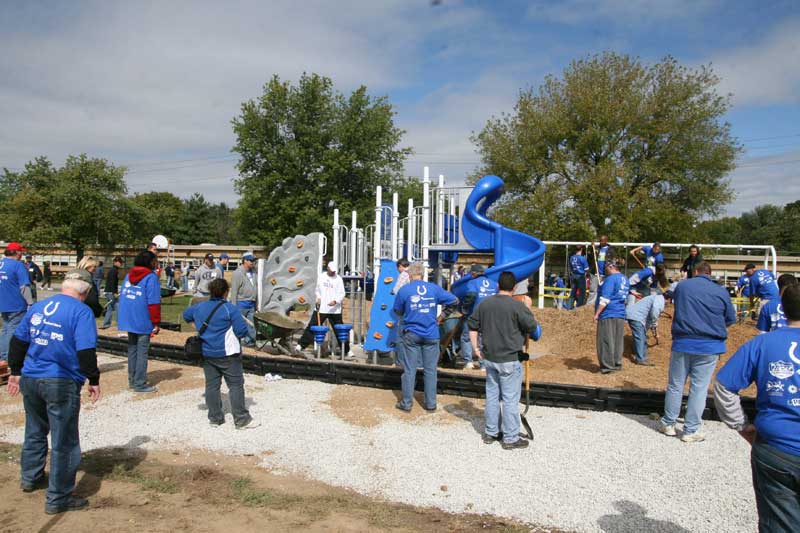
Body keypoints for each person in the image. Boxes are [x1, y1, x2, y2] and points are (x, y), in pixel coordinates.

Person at [6, 276, 100, 514]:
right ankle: (58, 498)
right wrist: (94, 379)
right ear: (86, 292)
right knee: (64, 441)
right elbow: (85, 349)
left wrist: (16, 371)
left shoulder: (39, 307)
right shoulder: (82, 312)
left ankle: (30, 477)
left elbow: (18, 341)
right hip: (60, 380)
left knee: (35, 430)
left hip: (32, 377)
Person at [713, 283, 800, 532]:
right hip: (777, 450)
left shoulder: (763, 344)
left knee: (779, 523)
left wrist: (740, 425)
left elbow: (724, 386)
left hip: (776, 450)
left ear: (782, 308)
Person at [658, 261, 736, 442]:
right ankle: (690, 430)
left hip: (683, 342)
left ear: (695, 271)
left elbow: (671, 297)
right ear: (710, 273)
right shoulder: (721, 291)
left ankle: (668, 423)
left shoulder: (683, 286)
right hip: (710, 346)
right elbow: (730, 319)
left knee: (675, 385)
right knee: (699, 389)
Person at [469, 271, 539, 450]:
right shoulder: (517, 307)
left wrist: (476, 349)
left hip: (490, 359)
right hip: (509, 359)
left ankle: (491, 432)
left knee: (492, 396)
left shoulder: (484, 304)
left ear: (498, 286)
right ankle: (510, 438)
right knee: (509, 399)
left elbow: (472, 327)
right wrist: (529, 308)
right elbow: (533, 329)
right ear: (514, 287)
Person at [183, 278, 259, 429]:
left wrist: (197, 326)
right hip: (228, 353)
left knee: (212, 385)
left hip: (207, 352)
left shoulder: (200, 306)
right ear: (226, 292)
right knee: (236, 385)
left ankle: (215, 418)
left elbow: (186, 315)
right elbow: (241, 331)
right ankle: (241, 419)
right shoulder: (229, 308)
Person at [393, 262, 457, 412]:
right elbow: (455, 301)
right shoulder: (433, 288)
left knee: (410, 370)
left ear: (409, 275)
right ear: (422, 274)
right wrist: (441, 316)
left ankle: (406, 404)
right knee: (430, 370)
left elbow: (397, 310)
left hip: (411, 334)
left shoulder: (404, 290)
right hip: (431, 334)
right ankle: (430, 404)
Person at [118, 250, 161, 393]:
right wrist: (155, 322)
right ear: (150, 262)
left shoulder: (129, 275)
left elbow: (124, 295)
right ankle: (140, 383)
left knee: (132, 349)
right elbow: (153, 302)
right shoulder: (151, 277)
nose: (156, 263)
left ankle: (132, 379)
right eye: (154, 261)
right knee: (142, 351)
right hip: (143, 318)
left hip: (129, 317)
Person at [297, 261, 349, 357]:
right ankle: (301, 345)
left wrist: (336, 301)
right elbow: (317, 290)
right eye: (331, 270)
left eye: (334, 271)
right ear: (328, 268)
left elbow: (342, 293)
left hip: (335, 310)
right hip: (321, 308)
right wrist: (318, 298)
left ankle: (347, 350)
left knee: (339, 329)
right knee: (312, 327)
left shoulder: (338, 279)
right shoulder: (322, 277)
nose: (333, 273)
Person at [459, 264, 499, 370]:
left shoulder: (472, 282)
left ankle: (469, 362)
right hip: (490, 315)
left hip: (474, 314)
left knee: (466, 337)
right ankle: (483, 364)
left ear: (473, 274)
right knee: (484, 339)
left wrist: (465, 308)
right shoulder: (494, 283)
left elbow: (471, 295)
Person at [593, 260, 630, 374]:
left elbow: (605, 299)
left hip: (608, 313)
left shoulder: (610, 279)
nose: (605, 269)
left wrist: (597, 313)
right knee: (617, 340)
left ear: (611, 266)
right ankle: (616, 363)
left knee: (606, 340)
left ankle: (607, 366)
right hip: (620, 313)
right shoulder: (625, 278)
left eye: (606, 267)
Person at [0, 242, 33, 361]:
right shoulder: (18, 265)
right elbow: (24, 286)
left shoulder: (1, 263)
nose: (22, 254)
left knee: (5, 329)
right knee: (13, 330)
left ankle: (3, 355)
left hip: (3, 303)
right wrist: (30, 303)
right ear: (16, 252)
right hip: (16, 303)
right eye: (21, 252)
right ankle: (9, 357)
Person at [626, 291, 666, 366]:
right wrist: (654, 325)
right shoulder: (660, 300)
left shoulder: (656, 298)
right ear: (669, 299)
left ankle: (639, 354)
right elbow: (654, 314)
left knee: (641, 336)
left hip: (636, 316)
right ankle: (640, 359)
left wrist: (654, 331)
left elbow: (651, 317)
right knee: (640, 337)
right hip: (636, 316)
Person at [230, 252, 258, 347]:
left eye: (253, 260)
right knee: (238, 324)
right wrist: (233, 306)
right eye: (250, 260)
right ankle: (234, 342)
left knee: (251, 324)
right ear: (244, 260)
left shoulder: (254, 272)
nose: (252, 262)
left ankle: (250, 341)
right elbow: (234, 290)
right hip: (241, 302)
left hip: (252, 302)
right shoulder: (237, 273)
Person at [587, 236, 614, 306]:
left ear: (606, 241)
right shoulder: (596, 249)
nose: (601, 242)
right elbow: (590, 257)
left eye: (602, 241)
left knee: (605, 290)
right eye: (600, 240)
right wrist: (591, 248)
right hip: (595, 273)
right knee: (593, 290)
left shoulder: (610, 250)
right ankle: (590, 305)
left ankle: (603, 305)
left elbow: (612, 261)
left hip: (605, 274)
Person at [100, 256, 123, 330]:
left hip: (108, 291)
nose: (121, 264)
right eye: (120, 262)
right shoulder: (114, 271)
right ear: (115, 262)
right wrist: (115, 292)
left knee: (110, 308)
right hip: (111, 292)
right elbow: (113, 282)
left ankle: (106, 324)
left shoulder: (113, 270)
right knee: (118, 307)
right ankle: (120, 324)